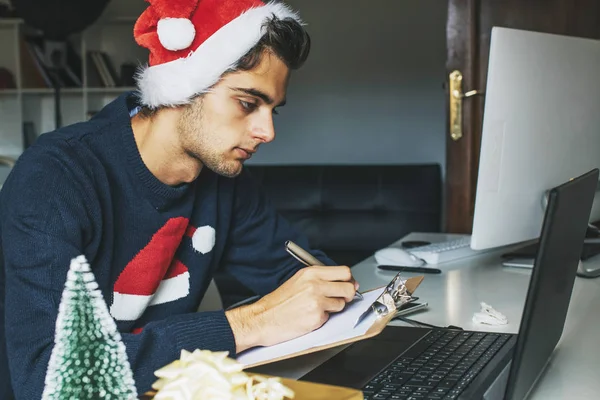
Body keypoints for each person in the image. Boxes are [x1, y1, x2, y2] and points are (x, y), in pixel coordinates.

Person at [0, 0, 360, 398]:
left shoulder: (226, 180)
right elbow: (46, 377)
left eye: (273, 110)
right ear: (185, 85)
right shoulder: (55, 178)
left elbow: (292, 271)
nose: (267, 132)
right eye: (247, 103)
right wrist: (248, 324)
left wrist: (325, 291)